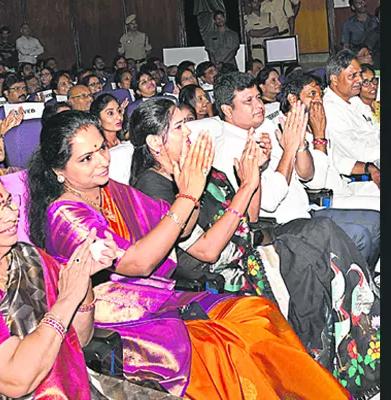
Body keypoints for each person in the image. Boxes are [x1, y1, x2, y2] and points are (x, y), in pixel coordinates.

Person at [25, 110, 351, 399]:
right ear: (58, 172)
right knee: (223, 345)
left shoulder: (109, 189)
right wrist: (189, 193)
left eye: (102, 148)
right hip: (115, 314)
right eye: (87, 158)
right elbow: (138, 262)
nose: (102, 161)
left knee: (256, 312)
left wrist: (188, 190)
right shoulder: (65, 214)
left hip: (154, 296)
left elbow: (179, 229)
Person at [130, 99, 381, 399]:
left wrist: (256, 172)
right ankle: (321, 362)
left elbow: (249, 217)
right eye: (180, 126)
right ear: (155, 142)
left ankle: (358, 352)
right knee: (310, 254)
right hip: (227, 269)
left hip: (250, 241)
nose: (189, 133)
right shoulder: (152, 187)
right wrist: (244, 187)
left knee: (321, 232)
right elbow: (208, 251)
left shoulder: (194, 167)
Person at [0, 165, 178, 398]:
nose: (11, 214)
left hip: (75, 386)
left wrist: (84, 278)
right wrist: (67, 300)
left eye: (8, 202)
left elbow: (80, 337)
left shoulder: (29, 257)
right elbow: (15, 381)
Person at [211, 72, 381, 278]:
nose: (258, 105)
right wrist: (290, 149)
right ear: (228, 110)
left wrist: (300, 145)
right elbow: (270, 201)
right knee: (360, 235)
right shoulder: (229, 147)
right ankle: (343, 293)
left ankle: (365, 284)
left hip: (303, 212)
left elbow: (307, 174)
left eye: (257, 97)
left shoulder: (266, 127)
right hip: (278, 227)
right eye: (248, 101)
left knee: (375, 222)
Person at [280, 72, 380, 210]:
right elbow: (316, 182)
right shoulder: (286, 131)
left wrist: (370, 168)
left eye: (320, 96)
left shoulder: (312, 123)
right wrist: (319, 135)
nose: (319, 100)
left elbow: (336, 160)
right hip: (325, 199)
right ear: (293, 99)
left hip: (344, 187)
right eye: (312, 94)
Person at [323, 50, 380, 185]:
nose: (359, 80)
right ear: (334, 79)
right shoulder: (330, 109)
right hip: (358, 175)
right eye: (353, 76)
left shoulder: (354, 100)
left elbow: (375, 130)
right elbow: (358, 153)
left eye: (359, 74)